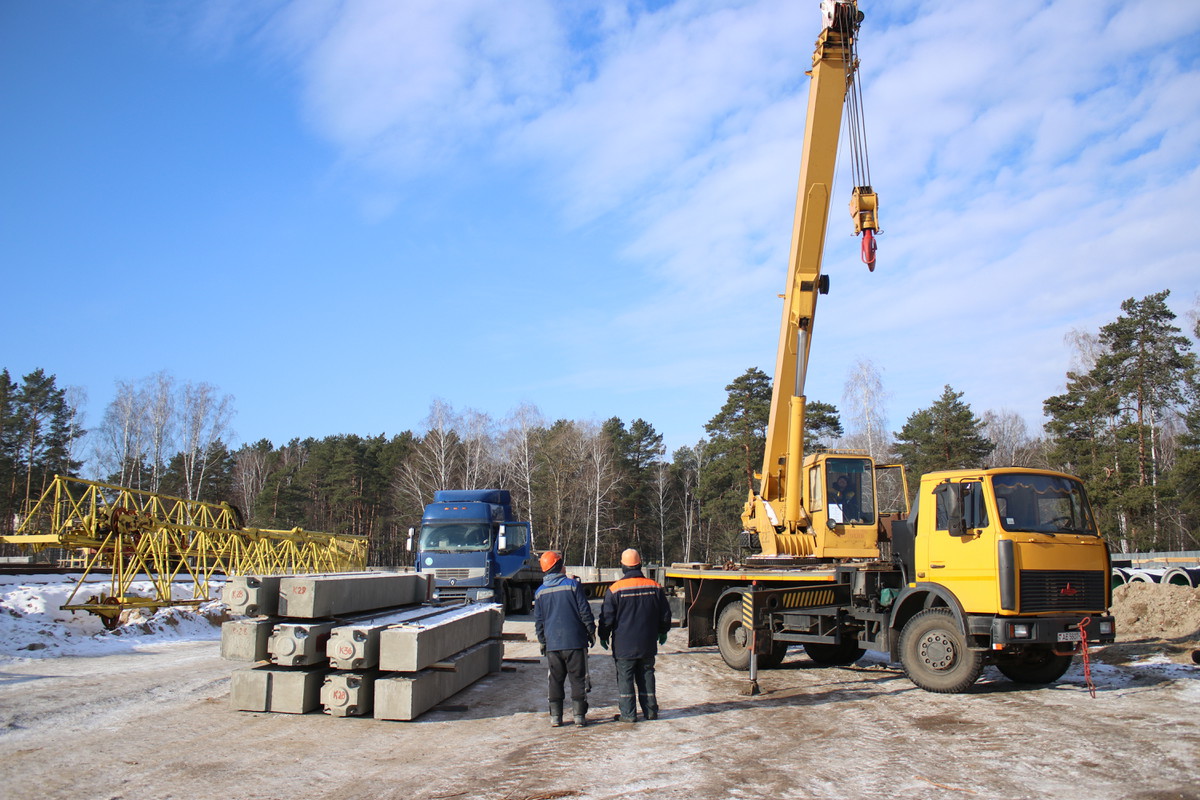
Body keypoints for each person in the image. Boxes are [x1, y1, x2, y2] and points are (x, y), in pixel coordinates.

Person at [598, 548, 672, 723]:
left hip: (624, 646)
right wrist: (662, 631)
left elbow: (607, 618)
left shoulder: (615, 590)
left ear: (623, 566)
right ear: (640, 564)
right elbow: (665, 614)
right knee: (646, 675)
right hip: (647, 643)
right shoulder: (655, 587)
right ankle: (650, 711)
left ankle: (628, 714)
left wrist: (603, 635)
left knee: (625, 678)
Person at [533, 550, 596, 728]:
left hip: (553, 644)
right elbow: (584, 611)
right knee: (577, 679)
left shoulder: (540, 592)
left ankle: (556, 717)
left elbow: (539, 621)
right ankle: (579, 716)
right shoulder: (572, 585)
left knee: (555, 679)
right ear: (558, 565)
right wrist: (591, 630)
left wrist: (543, 641)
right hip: (575, 641)